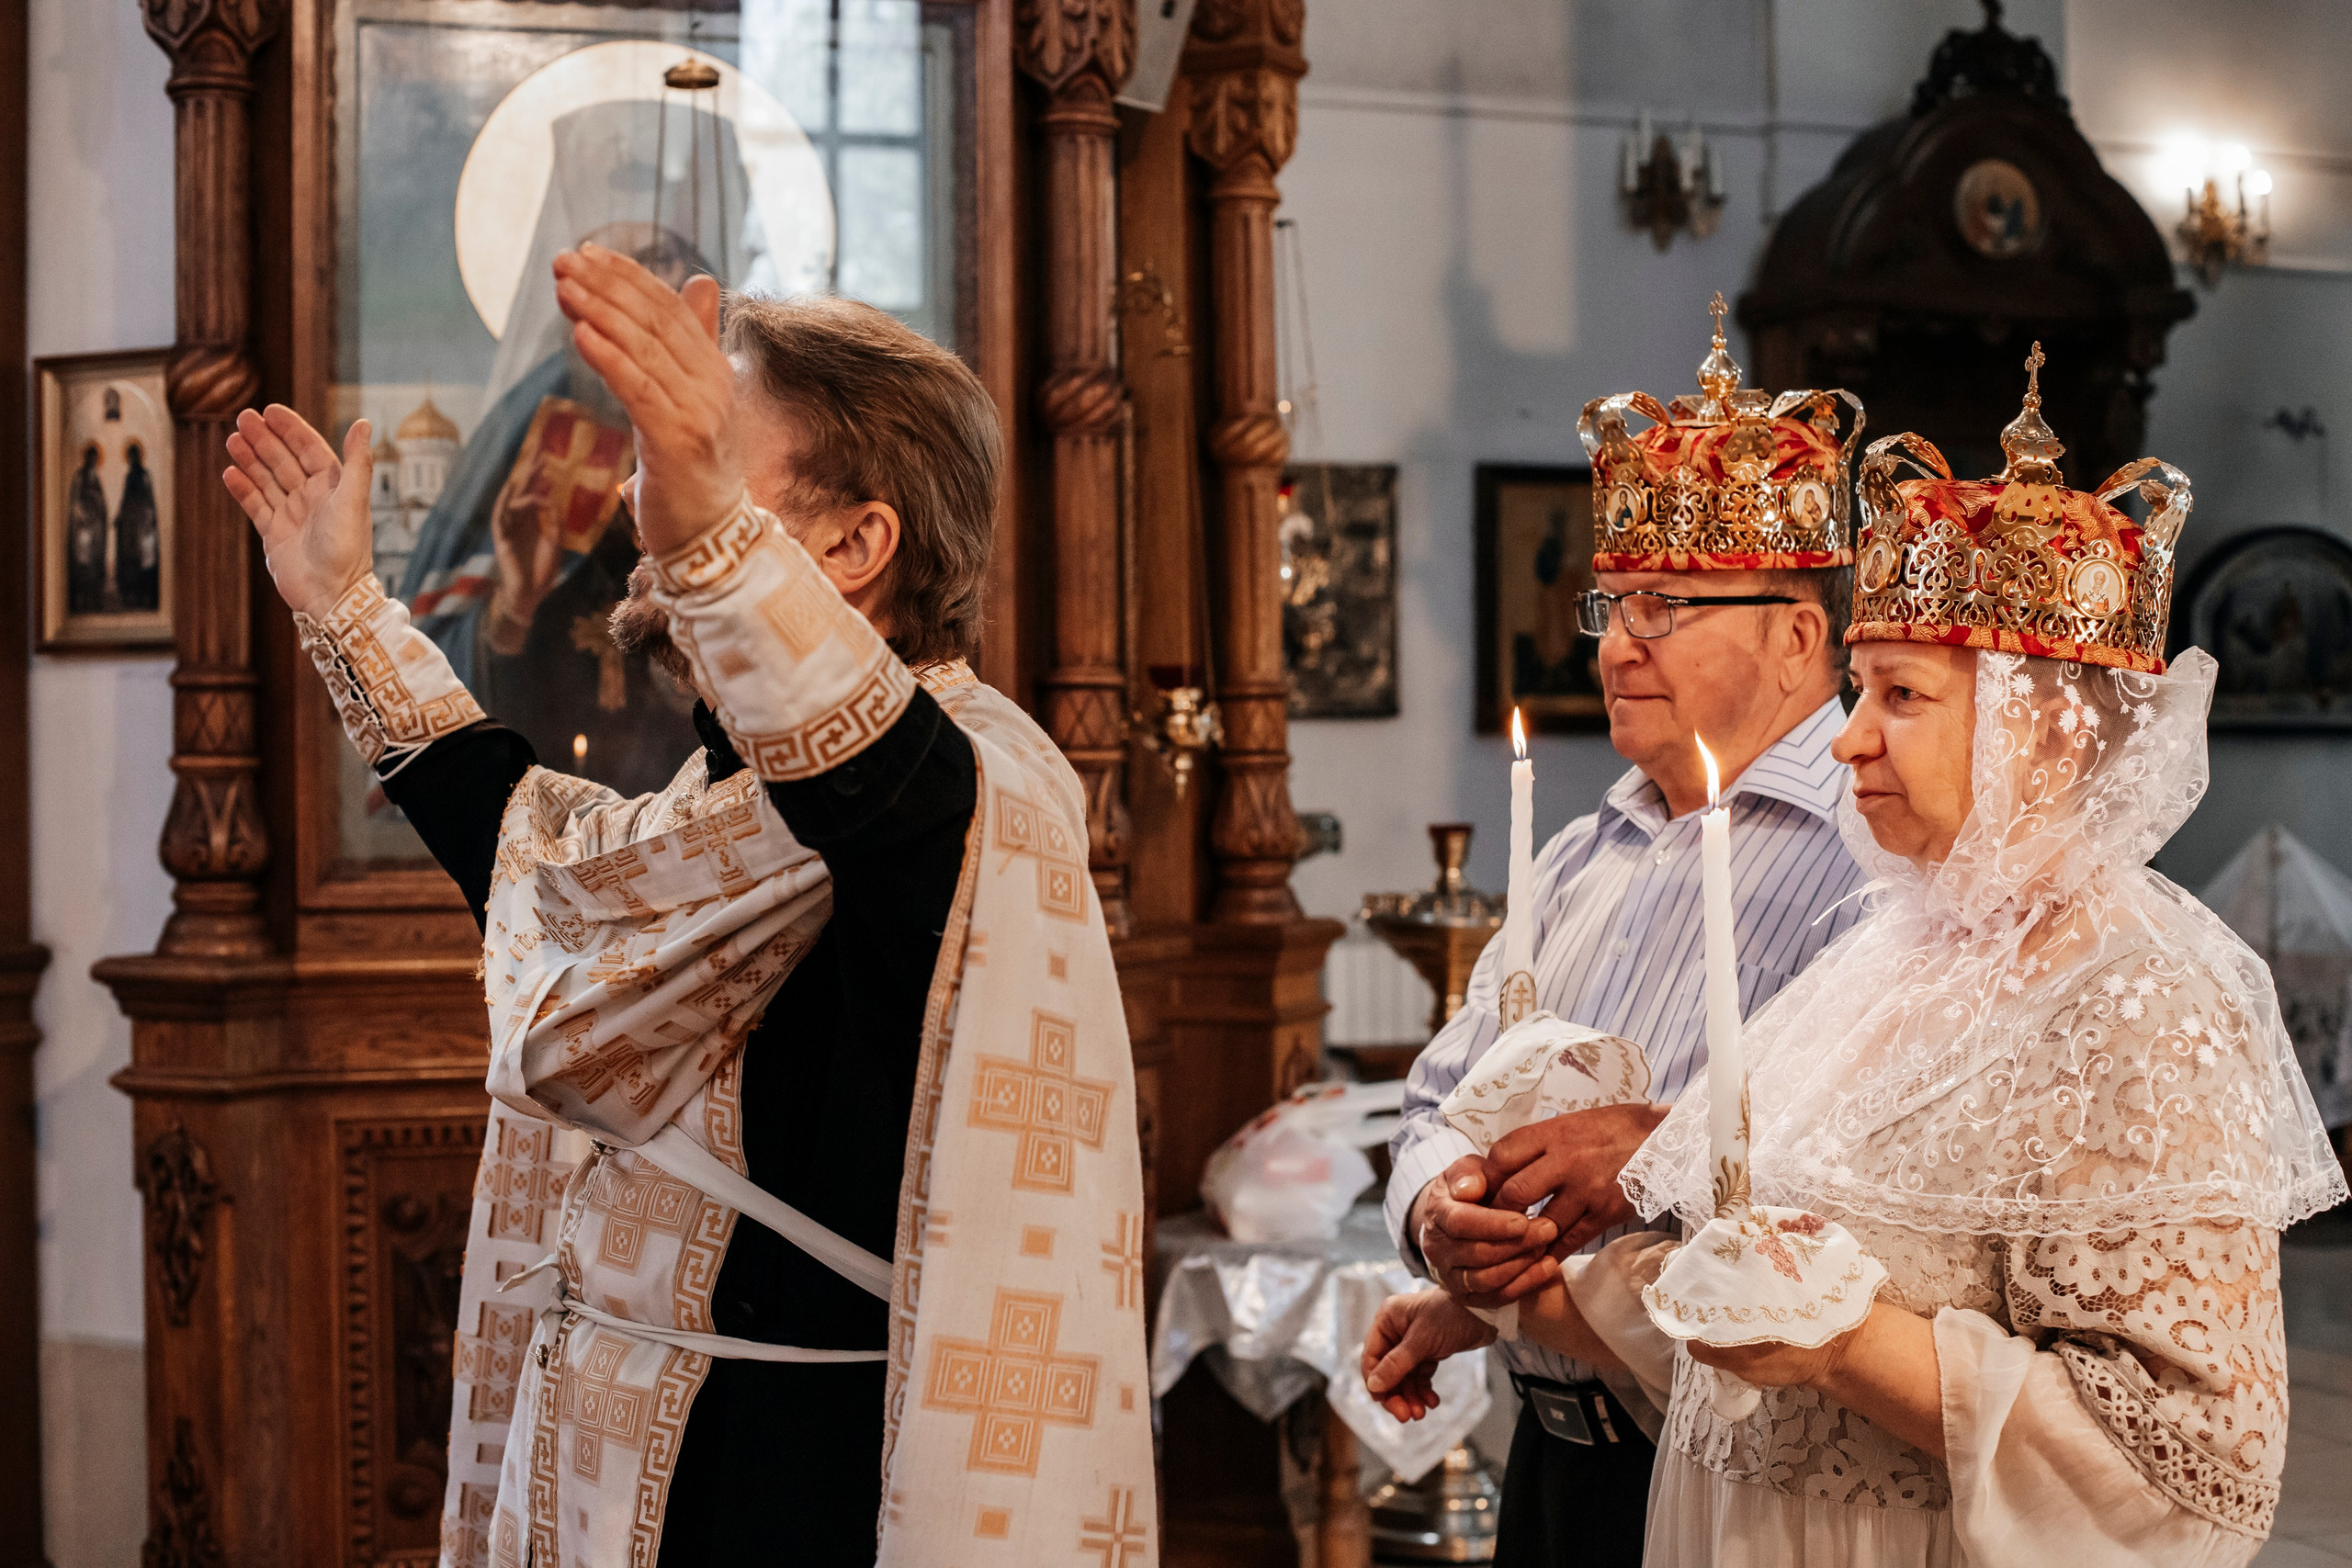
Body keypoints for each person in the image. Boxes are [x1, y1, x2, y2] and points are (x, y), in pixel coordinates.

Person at [221, 250, 1156, 1568]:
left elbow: (875, 784)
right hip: (606, 1447)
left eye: (702, 456)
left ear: (856, 545)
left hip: (789, 1479)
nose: (642, 512)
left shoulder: (971, 790)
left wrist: (710, 527)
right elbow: (532, 856)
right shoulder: (718, 799)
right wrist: (344, 608)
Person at [1363, 347, 2350, 1566]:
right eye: (1864, 690)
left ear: (2041, 735)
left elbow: (2197, 1458)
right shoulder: (1893, 950)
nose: (1849, 741)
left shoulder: (2142, 991)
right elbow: (1743, 1252)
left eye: (1900, 697)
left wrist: (1841, 1345)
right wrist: (1485, 1302)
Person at [1382, 298, 1869, 1566]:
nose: (1618, 646)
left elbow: (1863, 1152)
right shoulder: (1582, 849)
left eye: (1667, 606)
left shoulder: (1870, 849)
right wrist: (1440, 1212)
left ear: (1798, 634)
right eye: (1612, 607)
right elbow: (1441, 1089)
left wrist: (1657, 1145)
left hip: (1739, 1466)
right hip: (1554, 1449)